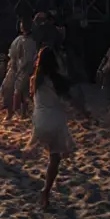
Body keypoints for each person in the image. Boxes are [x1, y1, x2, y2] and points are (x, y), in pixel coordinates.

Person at [27, 48, 76, 210]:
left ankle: (45, 192)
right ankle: (46, 191)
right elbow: (70, 99)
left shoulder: (35, 79)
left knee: (46, 149)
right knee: (55, 158)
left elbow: (31, 96)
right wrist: (85, 113)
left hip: (39, 120)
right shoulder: (56, 80)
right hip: (54, 120)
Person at [2, 22, 37, 121]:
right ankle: (10, 113)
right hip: (15, 67)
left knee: (23, 91)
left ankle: (23, 113)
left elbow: (32, 58)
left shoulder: (32, 41)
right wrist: (12, 65)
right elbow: (12, 54)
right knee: (8, 88)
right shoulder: (18, 40)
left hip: (26, 69)